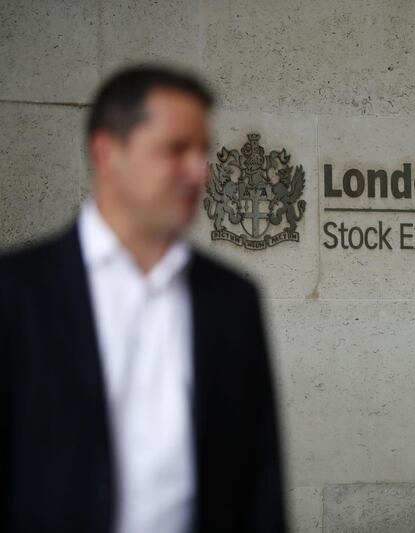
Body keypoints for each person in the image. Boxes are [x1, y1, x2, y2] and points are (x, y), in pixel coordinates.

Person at [0, 66, 286, 533]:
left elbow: (260, 478)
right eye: (176, 149)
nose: (200, 171)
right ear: (107, 153)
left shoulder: (233, 299)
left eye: (203, 151)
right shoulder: (17, 292)